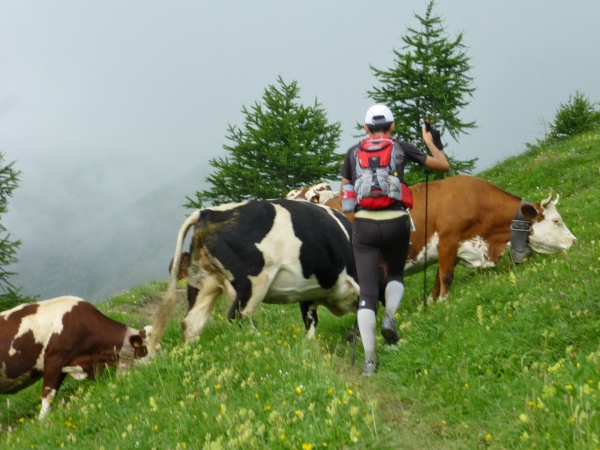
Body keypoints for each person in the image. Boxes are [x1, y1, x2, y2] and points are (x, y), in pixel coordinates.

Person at [339, 104, 449, 376]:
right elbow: (442, 166)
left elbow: (347, 203)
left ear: (365, 127)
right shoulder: (401, 146)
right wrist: (430, 142)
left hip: (364, 226)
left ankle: (369, 361)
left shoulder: (352, 153)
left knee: (367, 293)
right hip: (397, 222)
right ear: (392, 125)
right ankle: (389, 318)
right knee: (396, 274)